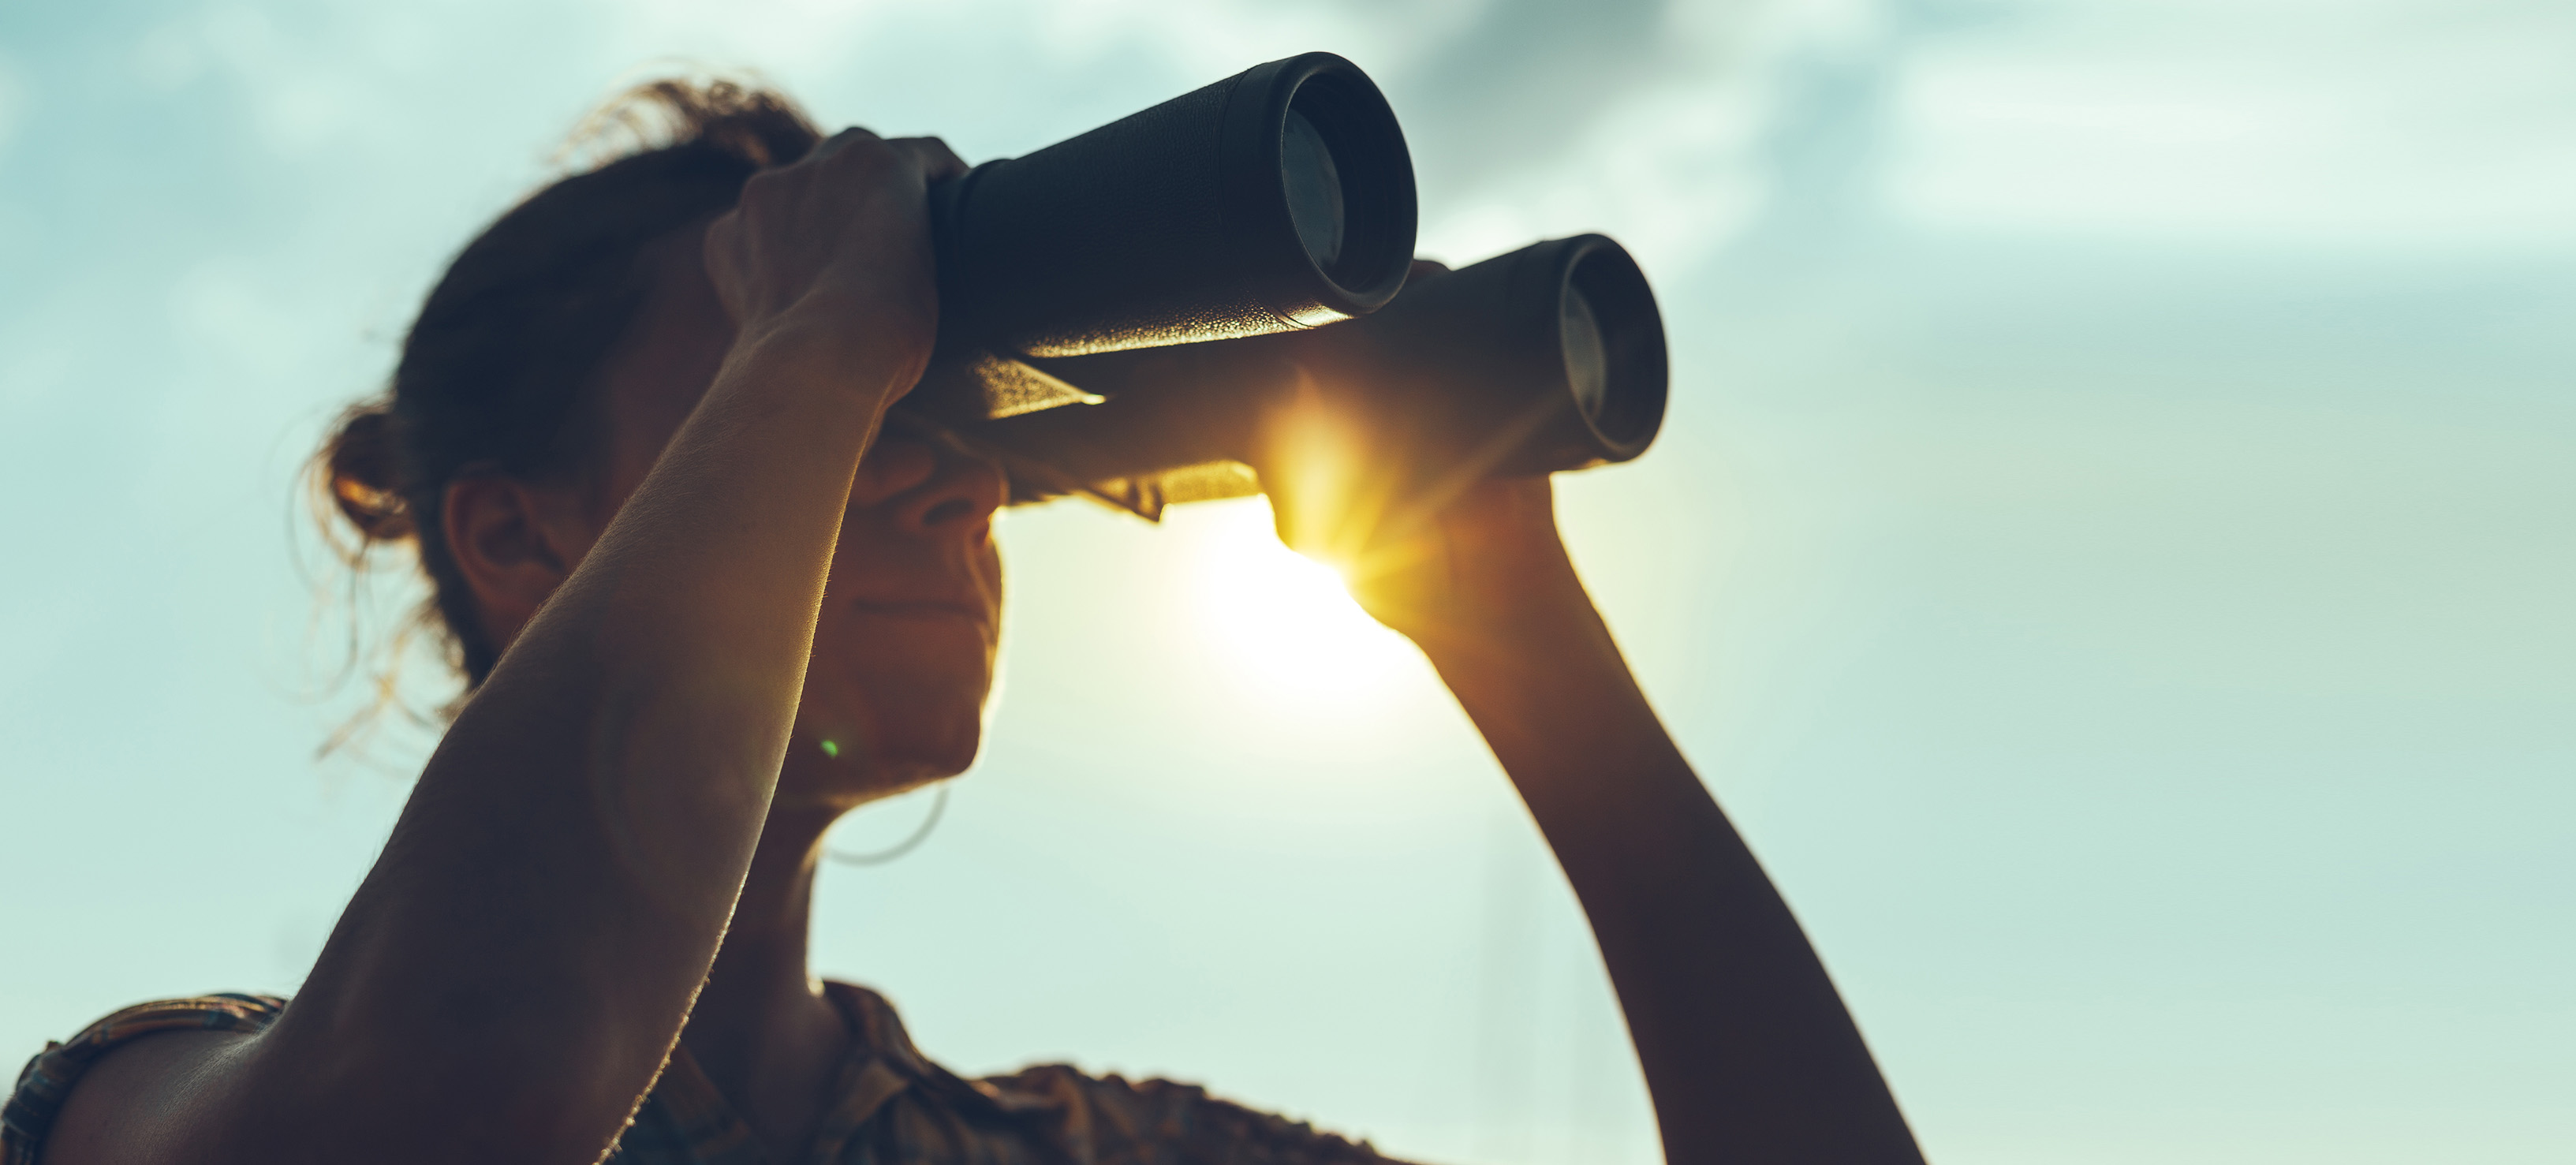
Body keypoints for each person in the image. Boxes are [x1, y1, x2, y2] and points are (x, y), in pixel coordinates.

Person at [2, 80, 1923, 1165]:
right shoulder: (161, 1101)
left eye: (949, 411)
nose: (941, 472)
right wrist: (828, 330)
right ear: (516, 535)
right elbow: (443, 1109)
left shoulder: (1094, 1156)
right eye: (817, 402)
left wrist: (1520, 641)